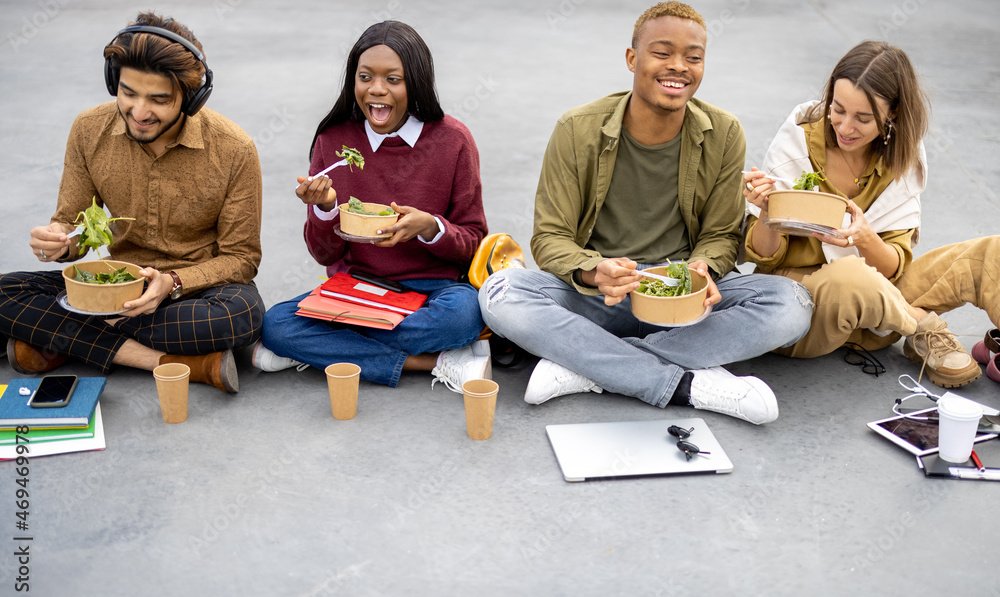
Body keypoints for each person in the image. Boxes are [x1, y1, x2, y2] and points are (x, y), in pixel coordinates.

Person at [478, 2, 813, 425]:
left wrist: (701, 270)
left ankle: (588, 366)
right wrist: (594, 269)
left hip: (685, 302)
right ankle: (687, 385)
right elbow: (550, 238)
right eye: (662, 52)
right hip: (601, 295)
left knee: (792, 302)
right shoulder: (576, 129)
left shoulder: (724, 132)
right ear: (632, 59)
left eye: (693, 57)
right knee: (501, 291)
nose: (678, 67)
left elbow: (723, 234)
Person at [0, 12, 263, 393]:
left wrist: (172, 282)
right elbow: (73, 229)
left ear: (191, 98)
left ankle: (58, 339)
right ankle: (171, 362)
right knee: (5, 291)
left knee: (243, 316)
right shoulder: (89, 129)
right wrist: (58, 241)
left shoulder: (235, 148)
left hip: (192, 293)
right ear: (113, 82)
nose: (139, 112)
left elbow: (242, 259)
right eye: (129, 93)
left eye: (159, 99)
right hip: (113, 287)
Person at [744, 40, 997, 388]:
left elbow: (893, 268)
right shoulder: (797, 146)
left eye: (863, 118)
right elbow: (766, 263)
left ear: (892, 113)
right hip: (805, 309)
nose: (845, 127)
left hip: (879, 308)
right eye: (837, 109)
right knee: (851, 275)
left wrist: (864, 239)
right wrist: (767, 212)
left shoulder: (901, 157)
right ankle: (923, 328)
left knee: (991, 254)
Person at [253, 21, 490, 391]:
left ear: (417, 82)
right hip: (357, 288)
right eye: (365, 77)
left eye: (393, 79)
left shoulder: (453, 141)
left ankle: (322, 351)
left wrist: (431, 227)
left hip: (434, 292)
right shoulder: (333, 141)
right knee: (276, 324)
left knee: (464, 316)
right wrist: (326, 209)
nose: (376, 90)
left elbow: (473, 241)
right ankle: (431, 362)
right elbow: (323, 253)